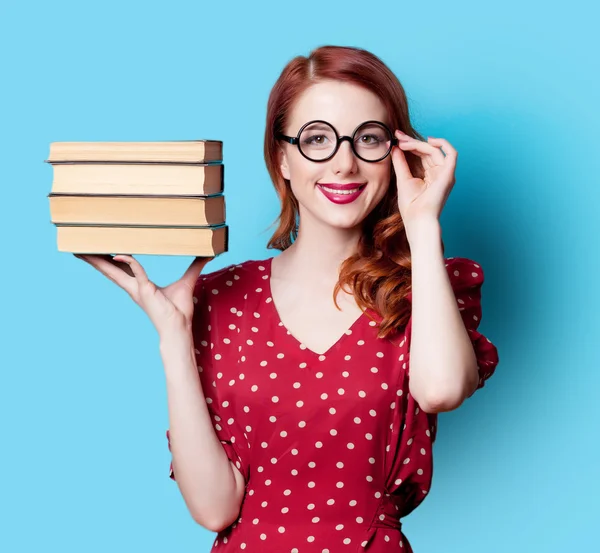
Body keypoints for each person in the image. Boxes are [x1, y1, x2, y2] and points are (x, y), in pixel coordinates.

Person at [75, 45, 499, 553]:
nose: (344, 163)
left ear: (396, 153)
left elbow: (442, 391)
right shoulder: (217, 299)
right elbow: (213, 508)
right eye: (317, 139)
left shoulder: (426, 290)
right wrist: (172, 335)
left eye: (368, 138)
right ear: (282, 155)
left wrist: (422, 223)